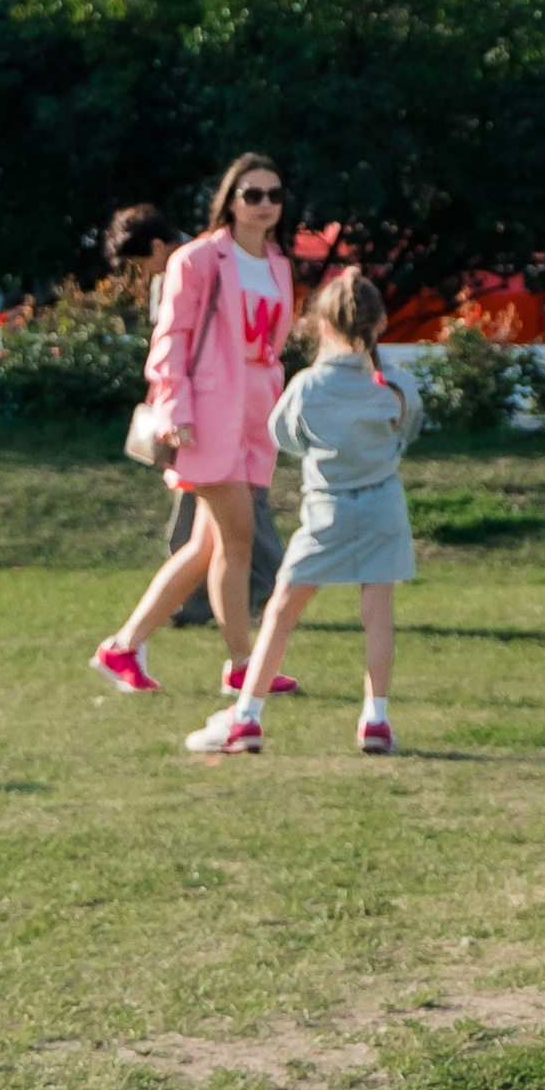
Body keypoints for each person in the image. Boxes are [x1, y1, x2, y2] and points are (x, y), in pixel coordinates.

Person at [188, 268, 421, 759]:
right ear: (378, 324)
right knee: (377, 615)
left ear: (321, 325)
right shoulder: (395, 384)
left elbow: (284, 437)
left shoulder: (308, 386)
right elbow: (408, 429)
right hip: (383, 507)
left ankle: (247, 716)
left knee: (282, 609)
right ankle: (375, 717)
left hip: (326, 510)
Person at [89, 157, 297, 699]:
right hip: (205, 417)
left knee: (207, 548)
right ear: (231, 200)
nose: (265, 203)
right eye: (252, 194)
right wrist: (176, 411)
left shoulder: (277, 263)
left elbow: (271, 348)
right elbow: (170, 341)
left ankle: (123, 647)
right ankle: (242, 665)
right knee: (238, 539)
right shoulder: (198, 258)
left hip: (256, 417)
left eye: (274, 194)